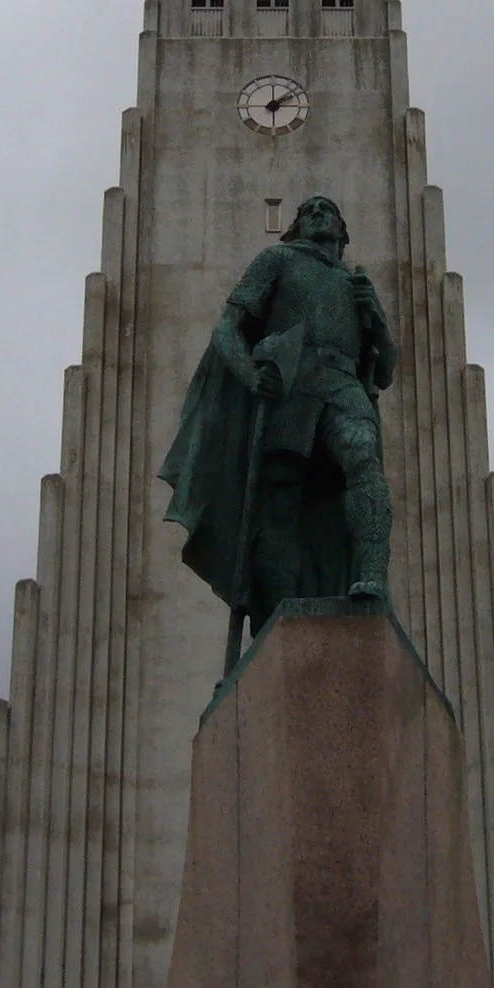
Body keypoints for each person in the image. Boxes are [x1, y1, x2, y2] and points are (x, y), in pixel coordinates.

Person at [158, 195, 397, 665]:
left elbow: (384, 371)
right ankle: (277, 615)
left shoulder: (355, 284)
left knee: (362, 456)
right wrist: (252, 377)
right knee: (281, 502)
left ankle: (371, 577)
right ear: (296, 228)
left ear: (343, 230)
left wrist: (377, 320)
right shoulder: (278, 260)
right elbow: (227, 329)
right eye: (308, 211)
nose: (318, 213)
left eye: (327, 209)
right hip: (292, 387)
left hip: (343, 384)